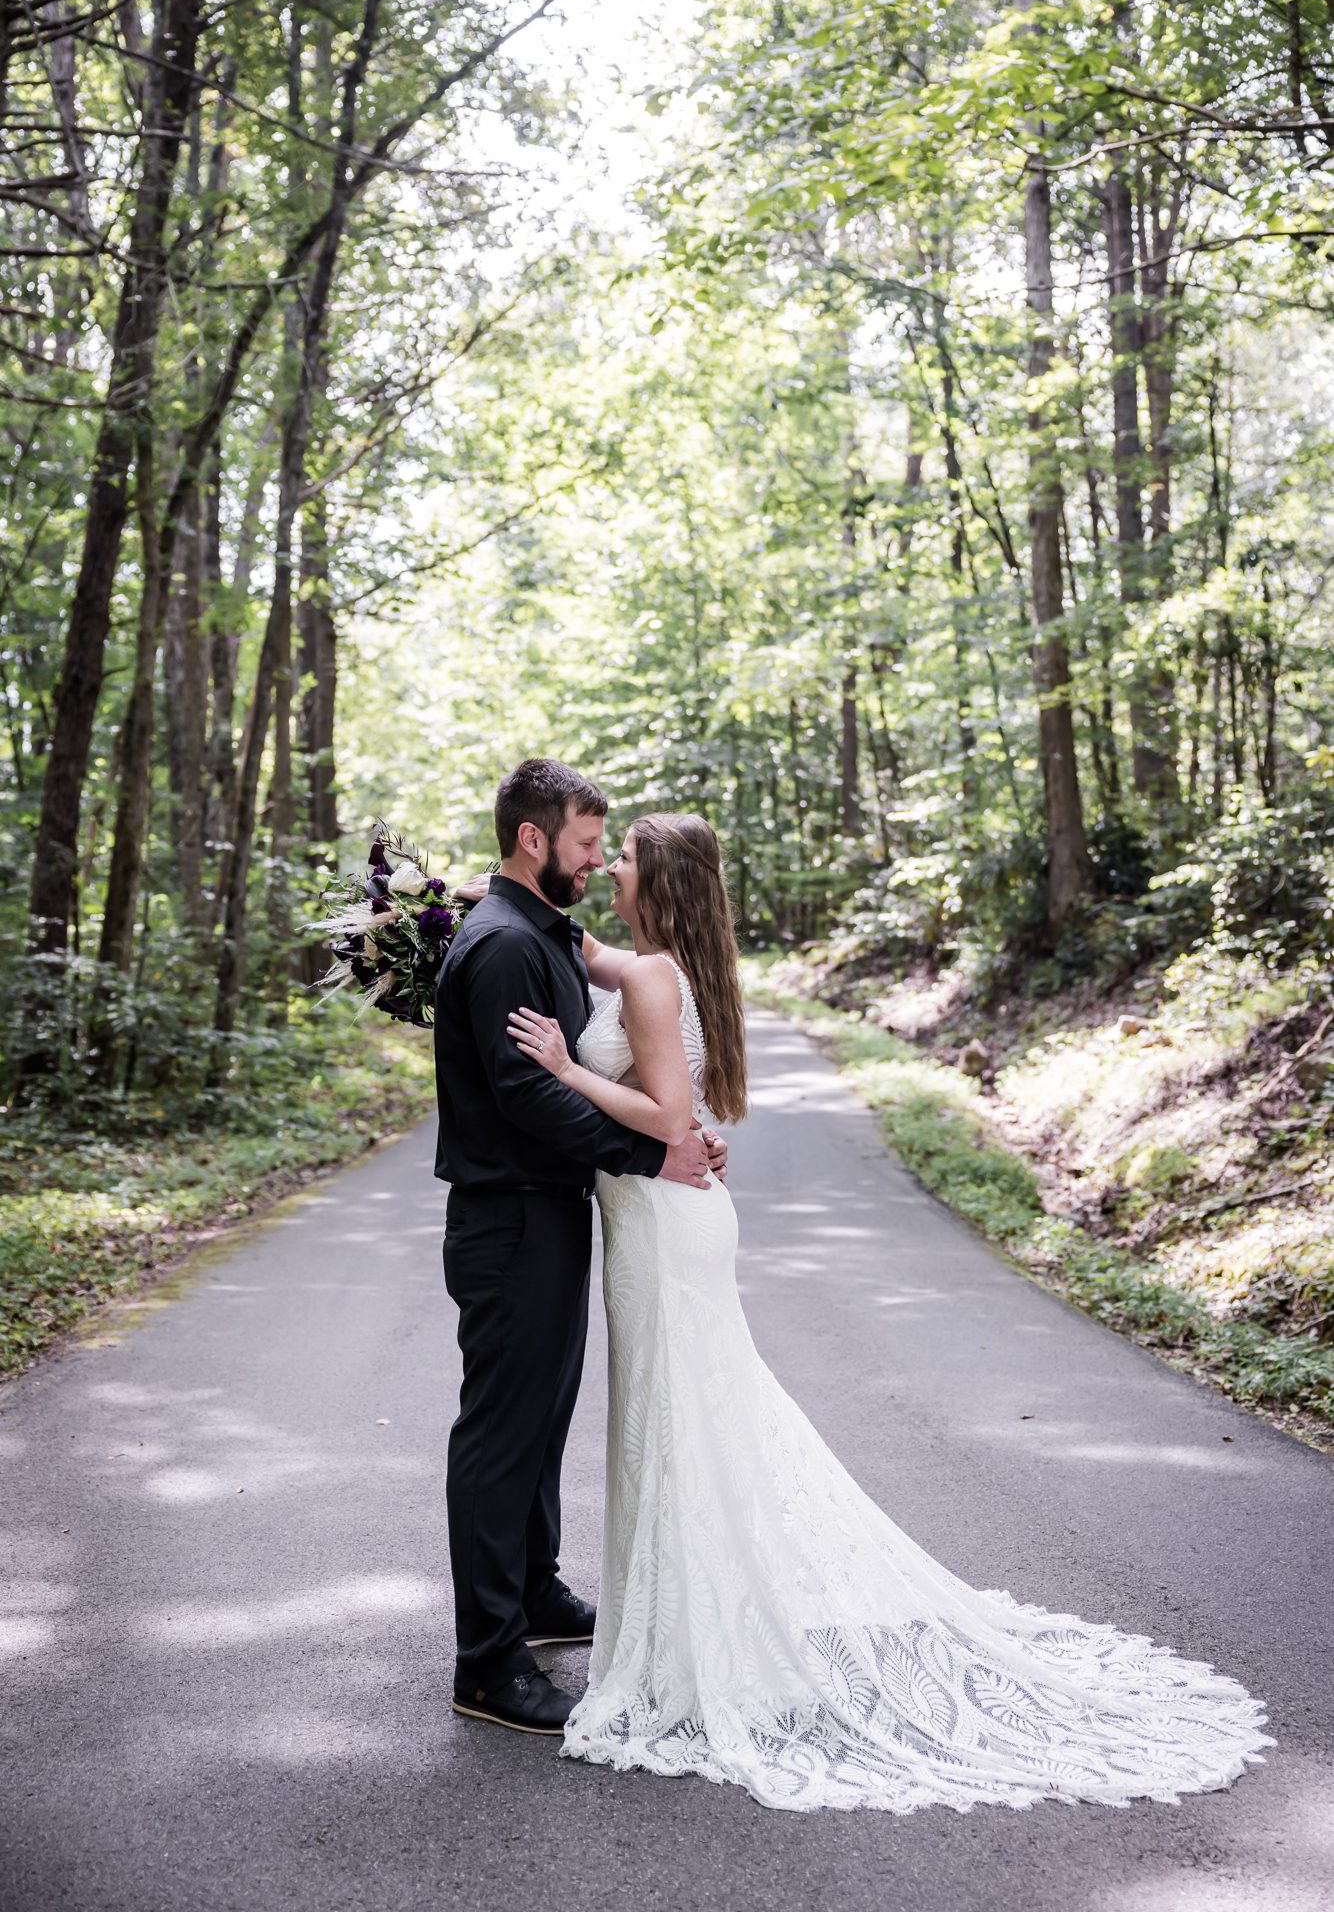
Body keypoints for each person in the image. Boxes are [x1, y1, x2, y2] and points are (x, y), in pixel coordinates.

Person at [506, 810, 1274, 1813]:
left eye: (626, 861)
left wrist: (565, 1070)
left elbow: (664, 1117)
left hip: (658, 1224)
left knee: (671, 1426)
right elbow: (580, 945)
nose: (608, 870)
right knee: (685, 1423)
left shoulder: (653, 976)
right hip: (670, 1218)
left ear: (660, 882)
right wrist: (465, 915)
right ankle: (686, 1633)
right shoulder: (660, 962)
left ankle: (690, 1650)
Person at [434, 760, 726, 1737]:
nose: (600, 862)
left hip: (553, 1212)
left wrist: (668, 1135)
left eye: (612, 851)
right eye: (587, 843)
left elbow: (624, 1023)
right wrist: (653, 1149)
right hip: (509, 1214)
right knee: (501, 1431)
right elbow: (527, 1094)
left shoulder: (541, 929)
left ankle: (538, 1588)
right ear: (534, 840)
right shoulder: (506, 946)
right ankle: (487, 1661)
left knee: (545, 1415)